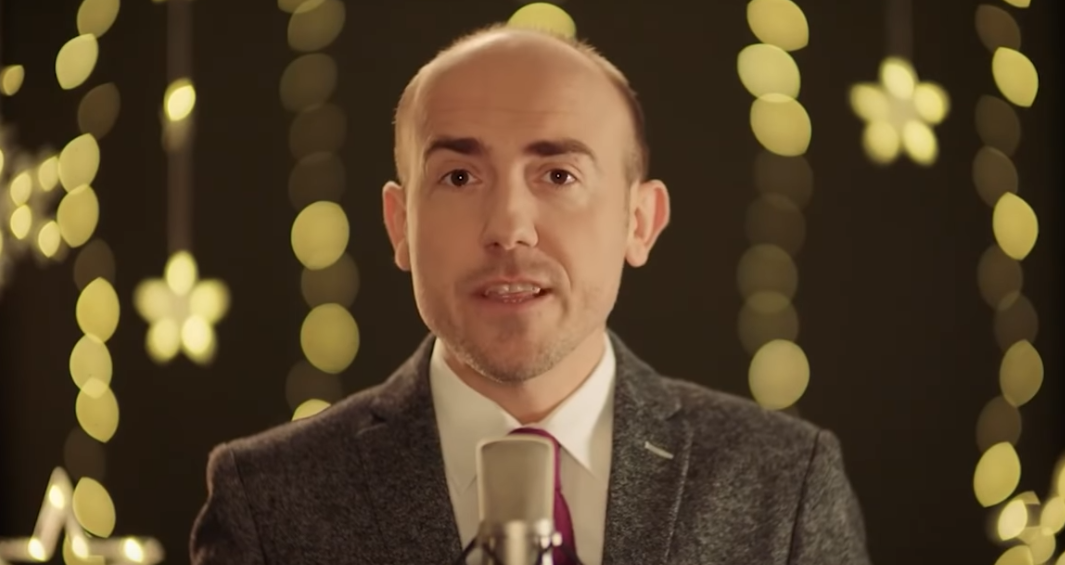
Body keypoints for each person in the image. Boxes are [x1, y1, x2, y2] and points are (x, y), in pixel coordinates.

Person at [190, 23, 872, 565]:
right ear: (399, 226)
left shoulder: (783, 482)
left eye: (558, 175)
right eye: (459, 178)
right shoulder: (267, 499)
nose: (509, 228)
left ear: (639, 221)